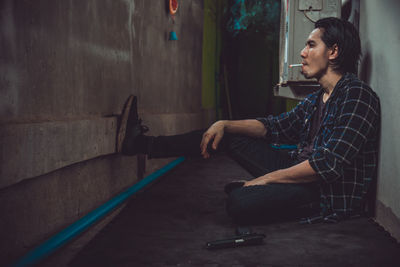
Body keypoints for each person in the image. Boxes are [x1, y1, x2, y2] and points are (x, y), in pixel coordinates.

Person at [117, 17, 380, 224]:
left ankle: (255, 192)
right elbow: (275, 127)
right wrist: (225, 124)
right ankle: (141, 144)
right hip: (300, 168)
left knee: (239, 204)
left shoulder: (357, 96)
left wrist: (266, 180)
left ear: (333, 52)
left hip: (326, 194)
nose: (302, 53)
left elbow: (328, 166)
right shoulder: (317, 98)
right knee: (225, 136)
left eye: (311, 45)